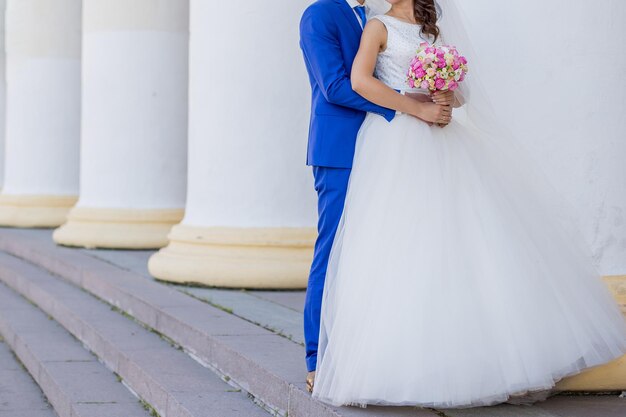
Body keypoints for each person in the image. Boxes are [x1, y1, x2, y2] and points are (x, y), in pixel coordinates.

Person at [310, 0, 626, 408]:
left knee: (462, 240)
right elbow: (358, 81)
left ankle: (473, 358)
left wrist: (444, 97)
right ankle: (394, 363)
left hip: (442, 137)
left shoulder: (431, 27)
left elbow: (461, 92)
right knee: (403, 241)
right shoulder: (376, 27)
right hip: (396, 141)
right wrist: (417, 106)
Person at [298, 0, 452, 393]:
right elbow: (334, 86)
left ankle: (370, 352)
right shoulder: (320, 14)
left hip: (384, 150)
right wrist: (408, 105)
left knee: (378, 252)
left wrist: (432, 98)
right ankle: (318, 358)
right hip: (341, 150)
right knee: (332, 250)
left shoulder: (374, 18)